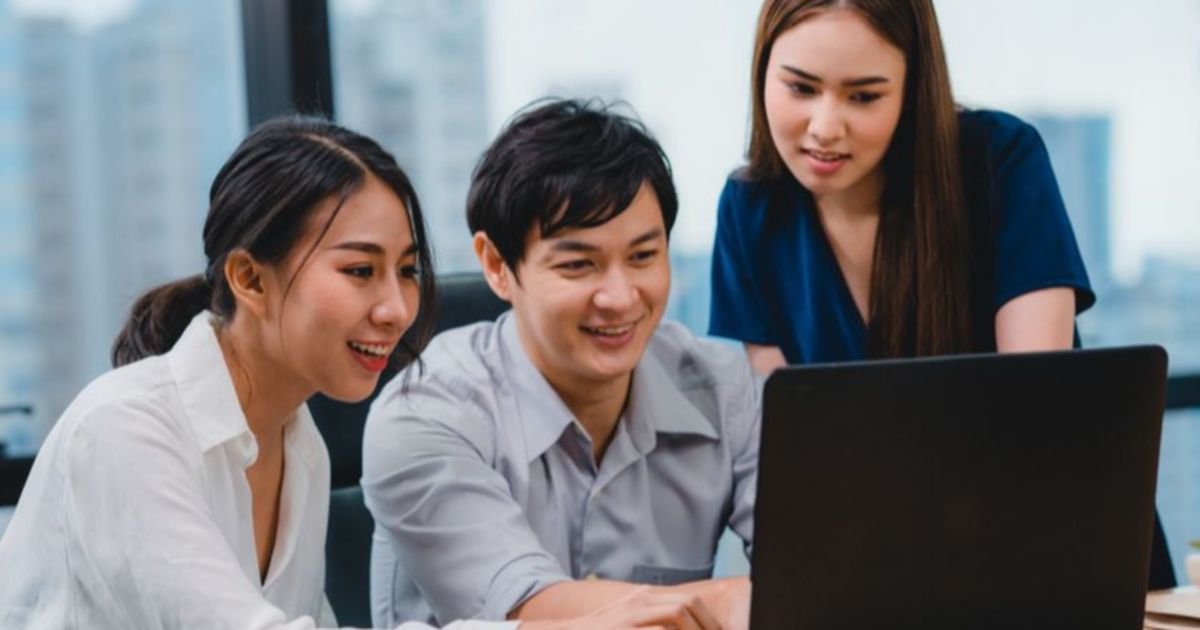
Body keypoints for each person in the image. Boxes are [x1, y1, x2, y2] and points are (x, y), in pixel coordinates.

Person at [0, 116, 721, 630]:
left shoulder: (297, 440)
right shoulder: (125, 432)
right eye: (359, 271)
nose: (398, 307)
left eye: (406, 271)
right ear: (249, 278)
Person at [362, 99, 757, 630]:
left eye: (643, 257)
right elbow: (531, 612)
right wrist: (741, 601)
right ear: (498, 266)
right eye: (579, 265)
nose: (620, 297)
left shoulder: (723, 389)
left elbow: (821, 568)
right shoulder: (425, 414)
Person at [709, 0, 1094, 372]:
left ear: (912, 92)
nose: (824, 129)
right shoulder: (749, 210)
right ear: (762, 72)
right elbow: (790, 420)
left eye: (864, 96)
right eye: (801, 88)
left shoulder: (1000, 161)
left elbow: (1037, 399)